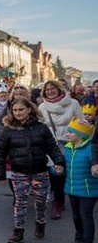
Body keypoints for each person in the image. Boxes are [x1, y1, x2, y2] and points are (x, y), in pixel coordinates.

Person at [0, 98, 65, 243]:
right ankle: (18, 231)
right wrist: (0, 173)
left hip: (40, 171)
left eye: (21, 110)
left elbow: (52, 147)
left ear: (29, 110)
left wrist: (59, 161)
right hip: (19, 172)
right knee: (20, 202)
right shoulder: (8, 130)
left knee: (40, 202)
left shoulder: (41, 128)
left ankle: (40, 223)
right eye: (15, 110)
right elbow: (0, 152)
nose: (18, 113)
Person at [38, 79, 82, 219]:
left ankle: (59, 199)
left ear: (59, 89)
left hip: (69, 144)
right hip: (49, 145)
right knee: (54, 173)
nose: (50, 91)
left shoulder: (73, 103)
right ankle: (57, 201)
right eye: (47, 90)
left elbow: (80, 123)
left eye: (53, 88)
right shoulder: (42, 107)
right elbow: (38, 126)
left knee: (63, 174)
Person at [63, 119, 98, 243]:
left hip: (89, 190)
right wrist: (57, 170)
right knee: (76, 215)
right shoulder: (67, 148)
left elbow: (95, 165)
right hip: (72, 189)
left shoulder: (91, 150)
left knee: (86, 215)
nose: (68, 134)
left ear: (81, 134)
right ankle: (80, 234)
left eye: (71, 132)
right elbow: (64, 166)